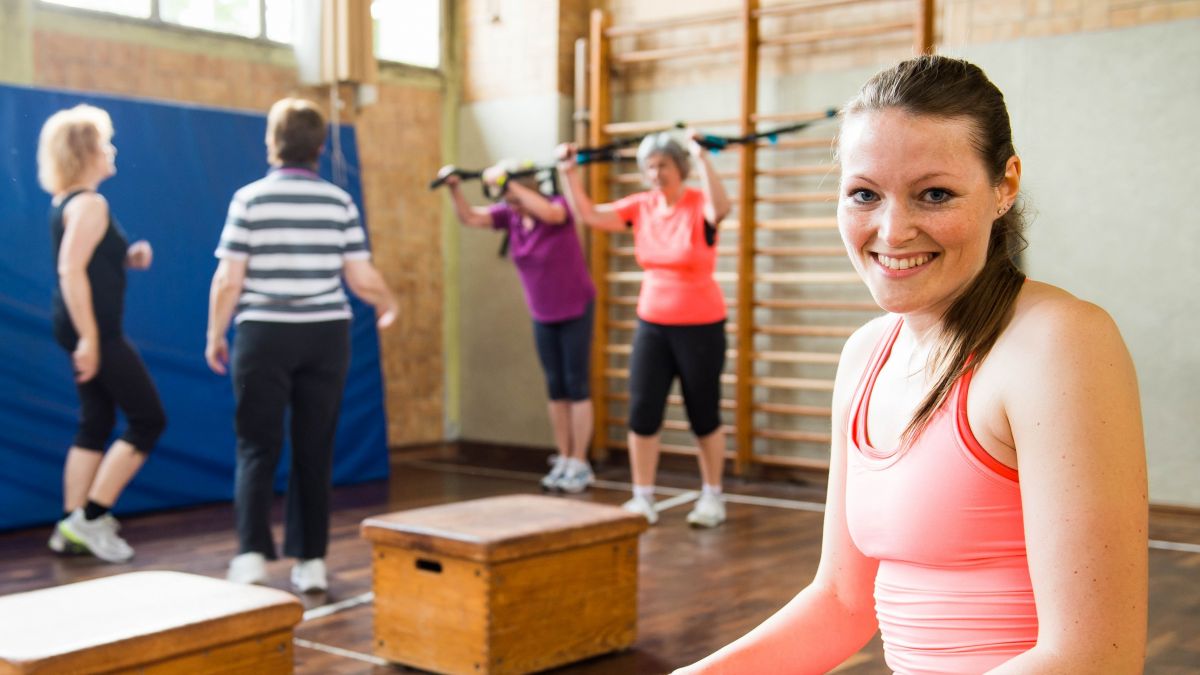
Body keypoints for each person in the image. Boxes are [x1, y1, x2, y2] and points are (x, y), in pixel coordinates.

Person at [676, 55, 1147, 673]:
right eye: (864, 194)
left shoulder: (1060, 343)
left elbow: (1092, 657)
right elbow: (842, 601)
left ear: (1005, 185)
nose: (893, 231)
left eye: (934, 194)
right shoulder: (865, 356)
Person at [206, 97, 398, 593]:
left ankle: (250, 555)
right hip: (325, 335)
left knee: (256, 446)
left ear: (272, 143)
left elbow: (229, 278)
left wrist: (215, 333)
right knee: (315, 447)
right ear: (319, 147)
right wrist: (387, 302)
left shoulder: (249, 199)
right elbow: (360, 274)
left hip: (263, 333)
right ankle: (309, 560)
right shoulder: (339, 202)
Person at [556, 130, 732, 527]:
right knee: (642, 412)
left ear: (679, 168)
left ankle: (712, 496)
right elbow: (588, 215)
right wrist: (569, 173)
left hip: (701, 326)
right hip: (652, 325)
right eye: (649, 167)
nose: (655, 173)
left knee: (703, 414)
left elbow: (721, 208)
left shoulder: (698, 203)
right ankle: (642, 496)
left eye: (663, 165)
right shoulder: (641, 206)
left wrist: (703, 157)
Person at [37, 104, 167, 563]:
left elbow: (88, 261)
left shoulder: (69, 202)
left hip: (78, 327)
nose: (111, 150)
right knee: (148, 420)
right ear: (87, 151)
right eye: (105, 143)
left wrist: (127, 256)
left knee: (96, 419)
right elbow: (71, 269)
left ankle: (70, 525)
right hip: (96, 330)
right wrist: (91, 339)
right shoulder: (91, 204)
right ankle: (89, 518)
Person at [436, 161, 597, 493]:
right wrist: (454, 188)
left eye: (510, 193)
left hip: (575, 307)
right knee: (556, 387)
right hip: (543, 313)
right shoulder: (509, 216)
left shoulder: (556, 208)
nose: (506, 200)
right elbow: (470, 217)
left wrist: (511, 183)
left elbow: (552, 215)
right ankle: (564, 457)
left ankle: (581, 462)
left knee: (576, 384)